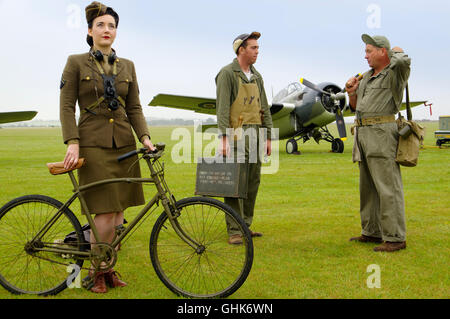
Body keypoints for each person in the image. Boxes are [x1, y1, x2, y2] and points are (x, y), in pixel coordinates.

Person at [60, 1, 155, 293]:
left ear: (116, 32)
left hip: (124, 144)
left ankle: (108, 268)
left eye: (111, 26)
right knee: (103, 212)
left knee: (119, 213)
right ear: (90, 31)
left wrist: (145, 138)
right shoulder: (76, 62)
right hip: (93, 143)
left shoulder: (127, 65)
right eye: (100, 25)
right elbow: (66, 107)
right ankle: (95, 271)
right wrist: (73, 143)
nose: (106, 30)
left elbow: (135, 107)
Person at [346, 34, 410, 252]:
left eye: (369, 51)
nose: (365, 56)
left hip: (382, 135)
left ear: (383, 52)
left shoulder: (395, 73)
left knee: (388, 187)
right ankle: (371, 232)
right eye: (365, 51)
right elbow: (355, 107)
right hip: (363, 135)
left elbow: (402, 60)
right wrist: (351, 93)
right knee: (368, 188)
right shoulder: (365, 77)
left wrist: (396, 50)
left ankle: (395, 237)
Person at [215, 32, 273, 245]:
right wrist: (223, 138)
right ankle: (234, 231)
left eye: (258, 48)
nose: (258, 51)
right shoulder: (227, 74)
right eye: (254, 48)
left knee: (252, 183)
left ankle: (245, 225)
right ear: (241, 50)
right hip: (236, 135)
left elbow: (264, 107)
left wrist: (268, 136)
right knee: (234, 183)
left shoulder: (257, 76)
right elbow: (221, 108)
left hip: (257, 134)